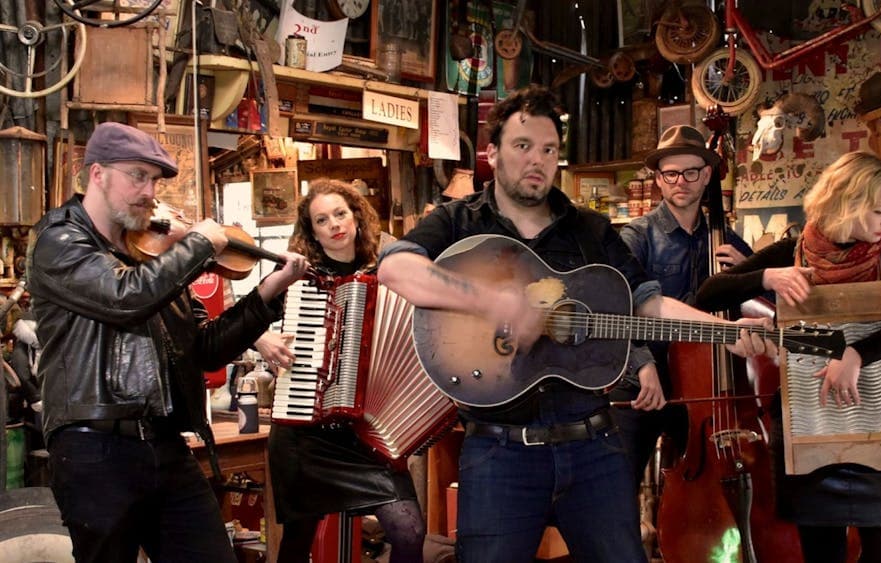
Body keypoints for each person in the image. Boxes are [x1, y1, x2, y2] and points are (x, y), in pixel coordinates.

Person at [376, 84, 770, 563]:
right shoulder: (459, 221)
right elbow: (396, 269)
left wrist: (723, 331)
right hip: (500, 454)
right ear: (493, 152)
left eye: (548, 149)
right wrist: (493, 302)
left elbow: (646, 303)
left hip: (594, 448)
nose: (536, 160)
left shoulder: (591, 230)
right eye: (522, 147)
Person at [26, 122, 309, 563]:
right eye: (137, 175)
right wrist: (196, 246)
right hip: (95, 448)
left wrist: (267, 292)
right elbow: (125, 299)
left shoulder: (153, 256)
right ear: (97, 174)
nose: (149, 191)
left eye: (154, 180)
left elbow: (207, 350)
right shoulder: (61, 241)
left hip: (165, 445)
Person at [695, 151, 881, 563]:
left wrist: (856, 354)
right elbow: (709, 294)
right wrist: (766, 277)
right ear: (848, 203)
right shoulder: (791, 254)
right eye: (880, 211)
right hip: (810, 425)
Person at [262, 179, 425, 563]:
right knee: (298, 542)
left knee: (409, 530)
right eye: (322, 220)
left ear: (356, 217)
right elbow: (245, 317)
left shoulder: (387, 271)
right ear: (312, 232)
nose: (334, 224)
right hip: (304, 432)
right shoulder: (298, 277)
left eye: (340, 213)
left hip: (366, 434)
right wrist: (262, 340)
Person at [611, 125, 755, 488]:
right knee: (616, 484)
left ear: (707, 176)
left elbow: (760, 308)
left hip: (704, 387)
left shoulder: (728, 240)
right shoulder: (637, 236)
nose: (681, 181)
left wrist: (746, 273)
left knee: (712, 480)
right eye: (671, 173)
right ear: (658, 179)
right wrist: (642, 365)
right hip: (644, 377)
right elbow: (616, 308)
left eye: (691, 172)